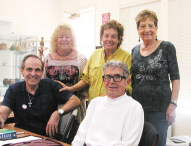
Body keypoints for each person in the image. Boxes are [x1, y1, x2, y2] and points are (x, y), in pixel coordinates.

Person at [0, 54, 81, 138]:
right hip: (21, 138)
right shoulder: (14, 89)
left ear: (42, 72)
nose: (33, 74)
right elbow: (2, 114)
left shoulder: (51, 86)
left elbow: (75, 100)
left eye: (37, 70)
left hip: (46, 139)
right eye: (29, 69)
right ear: (22, 71)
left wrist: (58, 112)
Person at [131, 10, 180, 146]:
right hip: (137, 108)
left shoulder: (167, 47)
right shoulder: (134, 51)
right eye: (143, 26)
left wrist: (173, 105)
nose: (147, 29)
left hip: (160, 109)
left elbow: (175, 78)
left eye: (151, 25)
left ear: (156, 28)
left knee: (157, 143)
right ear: (137, 29)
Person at [72, 60, 144, 146]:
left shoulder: (134, 108)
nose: (111, 81)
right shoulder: (95, 103)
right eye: (107, 77)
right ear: (103, 81)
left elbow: (128, 144)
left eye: (117, 77)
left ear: (127, 82)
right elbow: (80, 135)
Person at [58, 20, 132, 103]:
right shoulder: (95, 55)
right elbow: (86, 79)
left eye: (113, 36)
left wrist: (111, 97)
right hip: (94, 105)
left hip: (114, 106)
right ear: (101, 38)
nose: (109, 39)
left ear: (119, 39)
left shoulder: (126, 57)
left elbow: (127, 85)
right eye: (106, 36)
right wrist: (71, 88)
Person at [43, 23, 88, 143]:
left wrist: (72, 89)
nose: (64, 40)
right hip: (49, 108)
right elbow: (41, 82)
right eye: (61, 37)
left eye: (67, 37)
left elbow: (86, 82)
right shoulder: (47, 58)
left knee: (72, 140)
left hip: (74, 108)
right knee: (50, 141)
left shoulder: (81, 59)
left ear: (72, 39)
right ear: (55, 40)